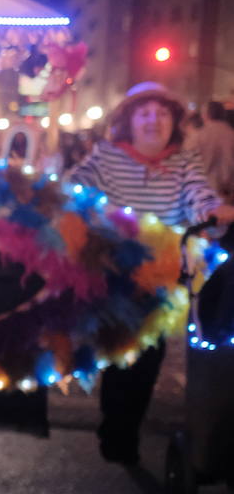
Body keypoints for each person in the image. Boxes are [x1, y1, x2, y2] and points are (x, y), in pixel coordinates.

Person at [69, 82, 234, 463]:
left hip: (162, 276)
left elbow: (198, 194)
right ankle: (116, 429)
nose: (153, 120)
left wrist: (211, 210)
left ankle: (124, 430)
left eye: (162, 113)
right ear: (129, 120)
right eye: (144, 113)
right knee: (121, 352)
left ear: (173, 122)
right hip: (114, 272)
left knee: (149, 355)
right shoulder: (107, 157)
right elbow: (71, 188)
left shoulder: (184, 162)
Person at [187, 100, 234, 200]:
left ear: (206, 115)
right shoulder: (231, 134)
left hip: (204, 192)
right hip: (228, 194)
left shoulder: (198, 136)